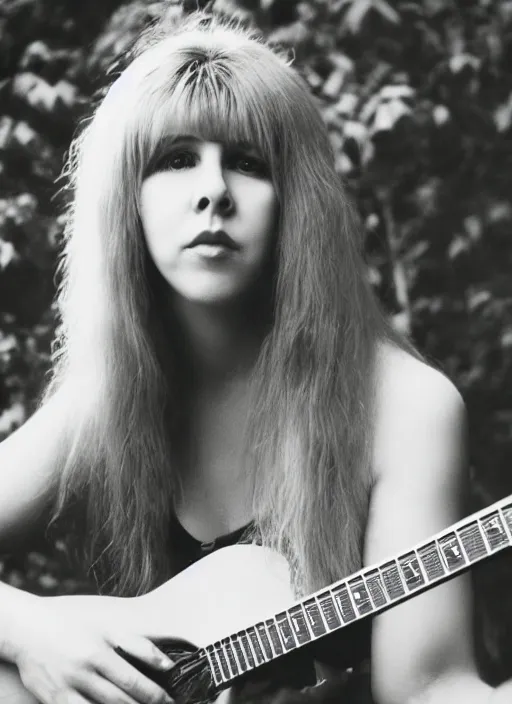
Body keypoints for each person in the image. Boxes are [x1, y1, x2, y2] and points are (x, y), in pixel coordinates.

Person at [0, 7, 510, 704]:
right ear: (128, 204)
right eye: (176, 160)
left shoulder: (406, 407)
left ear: (297, 203)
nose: (214, 192)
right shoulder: (105, 402)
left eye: (248, 162)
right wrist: (32, 631)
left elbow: (428, 688)